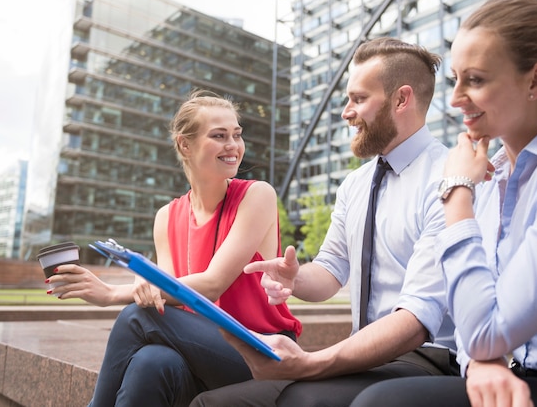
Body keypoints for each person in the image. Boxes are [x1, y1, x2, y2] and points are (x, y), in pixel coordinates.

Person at [350, 0, 537, 407]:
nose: (456, 98)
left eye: (475, 80)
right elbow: (471, 319)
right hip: (521, 376)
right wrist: (483, 364)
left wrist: (457, 193)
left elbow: (484, 331)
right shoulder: (497, 171)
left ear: (536, 81)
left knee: (384, 403)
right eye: (455, 79)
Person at [190, 37, 458, 407]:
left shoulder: (448, 178)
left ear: (402, 99)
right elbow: (331, 271)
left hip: (428, 359)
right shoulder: (356, 184)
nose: (347, 112)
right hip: (364, 355)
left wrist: (310, 363)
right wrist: (294, 277)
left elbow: (417, 319)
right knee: (209, 403)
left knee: (289, 399)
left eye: (359, 99)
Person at [45, 90, 302, 407]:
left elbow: (211, 283)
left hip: (262, 351)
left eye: (237, 134)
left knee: (135, 316)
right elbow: (164, 299)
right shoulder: (166, 217)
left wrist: (113, 293)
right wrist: (146, 285)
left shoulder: (257, 196)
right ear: (185, 144)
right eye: (219, 136)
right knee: (150, 362)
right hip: (203, 349)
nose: (234, 146)